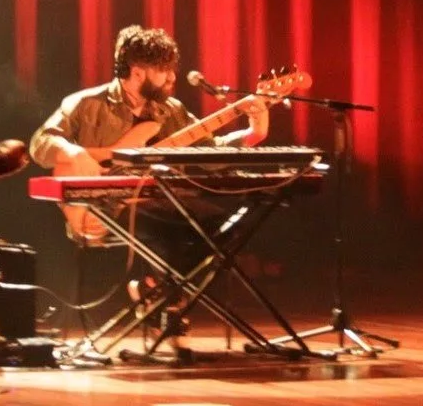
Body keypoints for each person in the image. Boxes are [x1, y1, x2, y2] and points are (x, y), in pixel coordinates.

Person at [29, 25, 271, 352]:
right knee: (177, 227)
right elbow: (40, 143)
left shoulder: (168, 111)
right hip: (100, 206)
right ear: (138, 72)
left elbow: (210, 152)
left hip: (153, 202)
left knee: (223, 226)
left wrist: (253, 134)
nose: (172, 78)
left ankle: (155, 287)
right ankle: (168, 303)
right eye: (164, 71)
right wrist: (74, 152)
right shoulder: (86, 104)